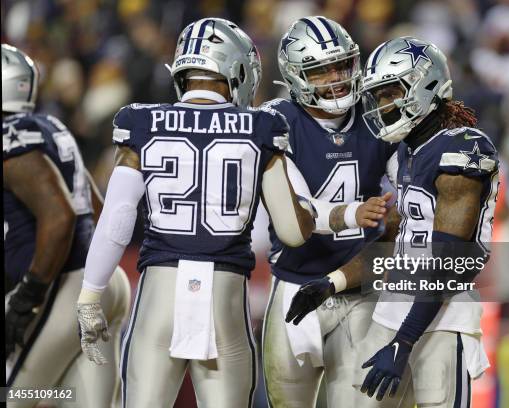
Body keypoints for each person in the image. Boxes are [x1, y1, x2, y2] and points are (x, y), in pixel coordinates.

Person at [75, 18, 382, 408]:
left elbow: (117, 220)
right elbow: (292, 230)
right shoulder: (261, 126)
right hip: (224, 300)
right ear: (237, 70)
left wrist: (89, 297)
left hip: (158, 295)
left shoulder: (142, 121)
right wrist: (317, 209)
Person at [285, 36, 500, 407]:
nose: (383, 105)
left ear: (424, 84)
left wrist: (404, 341)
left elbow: (448, 262)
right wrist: (331, 282)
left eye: (390, 93)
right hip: (392, 312)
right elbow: (396, 248)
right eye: (378, 96)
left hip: (443, 321)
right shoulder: (405, 152)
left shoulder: (463, 149)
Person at [261, 16, 398, 408]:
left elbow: (405, 200)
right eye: (321, 70)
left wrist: (398, 213)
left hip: (363, 288)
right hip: (294, 285)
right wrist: (353, 214)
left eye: (341, 65)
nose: (336, 77)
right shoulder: (277, 120)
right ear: (296, 76)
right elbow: (297, 213)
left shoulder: (377, 115)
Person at [3, 43, 130, 408]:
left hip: (64, 292)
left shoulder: (12, 141)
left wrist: (28, 297)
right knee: (74, 400)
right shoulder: (49, 126)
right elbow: (96, 208)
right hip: (100, 284)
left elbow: (59, 217)